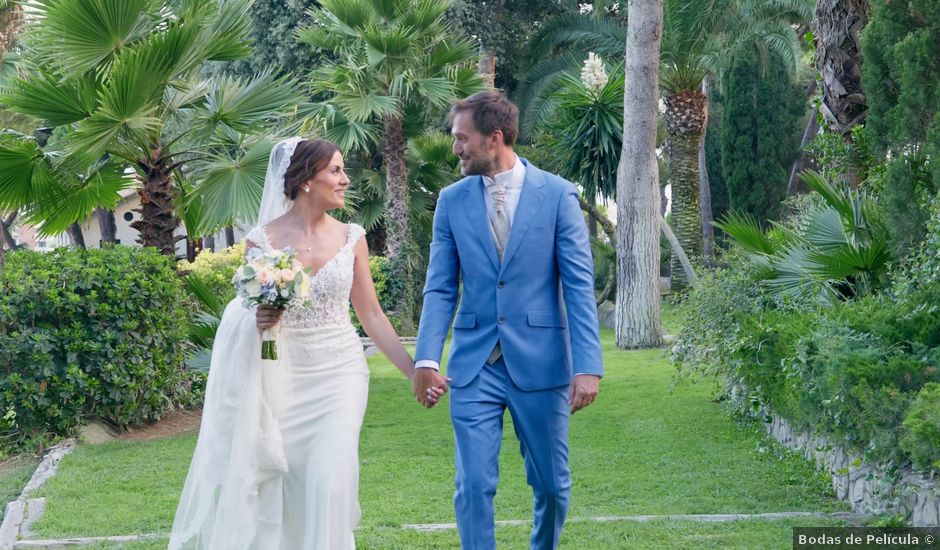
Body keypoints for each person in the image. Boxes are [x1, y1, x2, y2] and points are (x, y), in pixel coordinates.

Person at [170, 138, 426, 549]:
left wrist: (414, 370)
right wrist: (258, 317)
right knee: (284, 485)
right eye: (336, 171)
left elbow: (372, 315)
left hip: (340, 374)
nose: (345, 180)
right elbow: (245, 313)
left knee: (329, 482)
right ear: (307, 180)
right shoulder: (262, 241)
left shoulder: (352, 237)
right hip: (282, 375)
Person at [413, 91, 604, 550]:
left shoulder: (558, 196)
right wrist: (426, 358)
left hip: (542, 365)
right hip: (474, 366)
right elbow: (440, 287)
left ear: (494, 138)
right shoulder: (451, 201)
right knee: (473, 486)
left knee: (552, 488)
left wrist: (587, 366)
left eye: (463, 138)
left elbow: (578, 287)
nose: (455, 148)